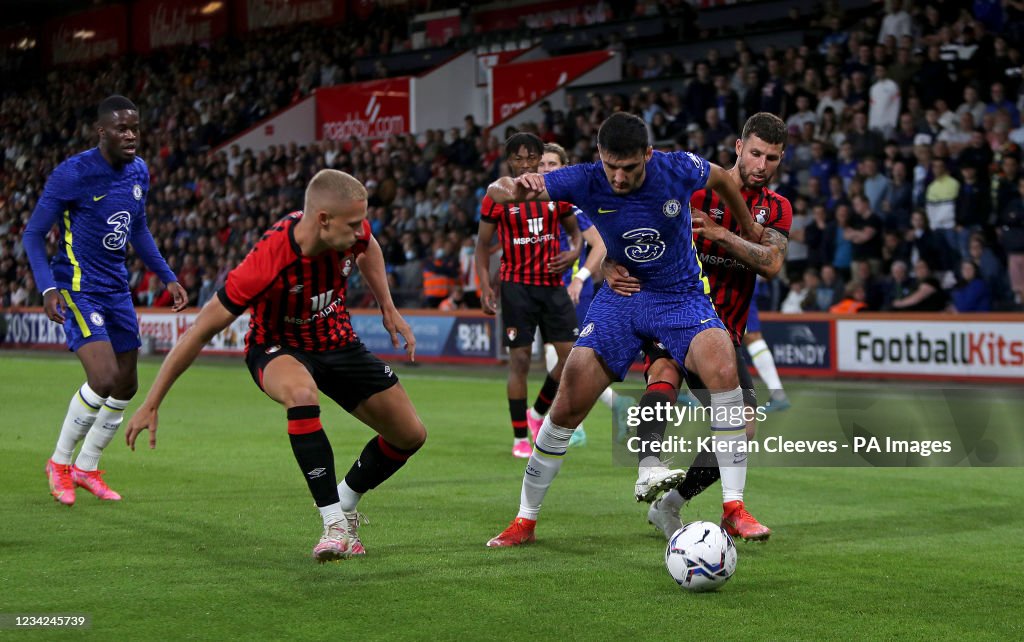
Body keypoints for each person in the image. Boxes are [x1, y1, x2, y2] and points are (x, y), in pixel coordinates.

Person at [485, 112, 762, 547]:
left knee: (723, 365)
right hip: (622, 297)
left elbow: (725, 179)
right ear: (600, 156)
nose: (618, 176)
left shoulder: (677, 167)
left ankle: (733, 508)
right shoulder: (584, 178)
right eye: (611, 165)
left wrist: (744, 226)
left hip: (680, 296)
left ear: (647, 156)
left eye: (629, 168)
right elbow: (497, 192)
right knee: (568, 399)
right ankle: (525, 520)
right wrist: (515, 186)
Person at [124, 170, 425, 563]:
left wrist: (388, 306)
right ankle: (333, 524)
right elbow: (198, 331)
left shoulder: (351, 227)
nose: (360, 231)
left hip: (336, 341)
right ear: (322, 220)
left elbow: (370, 247)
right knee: (302, 394)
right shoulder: (267, 262)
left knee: (410, 435)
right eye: (352, 225)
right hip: (277, 347)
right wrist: (152, 401)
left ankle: (347, 501)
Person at [605, 113, 792, 542]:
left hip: (723, 333)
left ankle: (671, 505)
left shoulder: (777, 208)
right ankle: (649, 468)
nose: (762, 165)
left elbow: (772, 263)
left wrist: (720, 234)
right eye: (756, 153)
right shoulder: (693, 184)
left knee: (743, 424)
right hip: (671, 311)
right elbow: (634, 226)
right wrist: (607, 261)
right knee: (663, 374)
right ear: (739, 147)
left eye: (773, 158)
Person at [22, 95, 187, 507]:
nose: (131, 134)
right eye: (122, 128)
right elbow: (32, 235)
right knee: (103, 378)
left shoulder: (139, 171)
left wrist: (167, 276)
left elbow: (139, 229)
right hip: (78, 286)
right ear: (102, 132)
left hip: (116, 289)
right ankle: (59, 463)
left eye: (135, 127)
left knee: (127, 382)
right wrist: (47, 288)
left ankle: (87, 466)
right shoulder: (73, 173)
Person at [475, 134, 582, 458]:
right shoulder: (499, 195)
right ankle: (520, 437)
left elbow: (576, 232)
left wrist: (573, 251)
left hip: (551, 285)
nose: (526, 163)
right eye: (519, 158)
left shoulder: (555, 192)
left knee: (571, 359)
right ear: (509, 160)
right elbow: (482, 246)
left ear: (539, 157)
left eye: (531, 157)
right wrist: (485, 286)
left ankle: (537, 413)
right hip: (516, 286)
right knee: (520, 360)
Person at [537, 142, 633, 448]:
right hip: (550, 293)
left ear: (564, 168)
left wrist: (579, 279)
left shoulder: (572, 206)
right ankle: (573, 418)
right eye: (542, 164)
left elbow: (600, 244)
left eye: (552, 164)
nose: (546, 169)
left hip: (573, 293)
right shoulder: (544, 206)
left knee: (567, 357)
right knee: (558, 357)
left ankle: (589, 415)